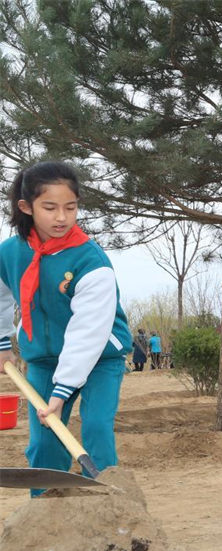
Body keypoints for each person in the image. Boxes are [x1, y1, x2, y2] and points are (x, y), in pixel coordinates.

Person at [0, 161, 132, 496]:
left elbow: (88, 334)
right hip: (44, 359)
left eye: (70, 208)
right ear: (26, 207)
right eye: (50, 208)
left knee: (97, 429)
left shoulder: (91, 261)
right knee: (44, 442)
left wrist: (61, 393)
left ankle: (108, 505)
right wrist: (2, 344)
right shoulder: (10, 253)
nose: (61, 217)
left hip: (100, 357)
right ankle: (46, 512)